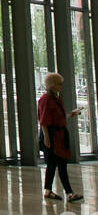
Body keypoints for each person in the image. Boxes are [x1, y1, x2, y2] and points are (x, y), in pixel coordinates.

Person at [38, 72, 83, 202]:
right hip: (52, 135)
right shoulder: (46, 100)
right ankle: (68, 193)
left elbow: (56, 118)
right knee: (58, 163)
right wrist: (47, 138)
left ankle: (49, 190)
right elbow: (44, 121)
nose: (61, 86)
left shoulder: (56, 99)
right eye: (59, 84)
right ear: (52, 85)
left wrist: (71, 114)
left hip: (58, 134)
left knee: (54, 164)